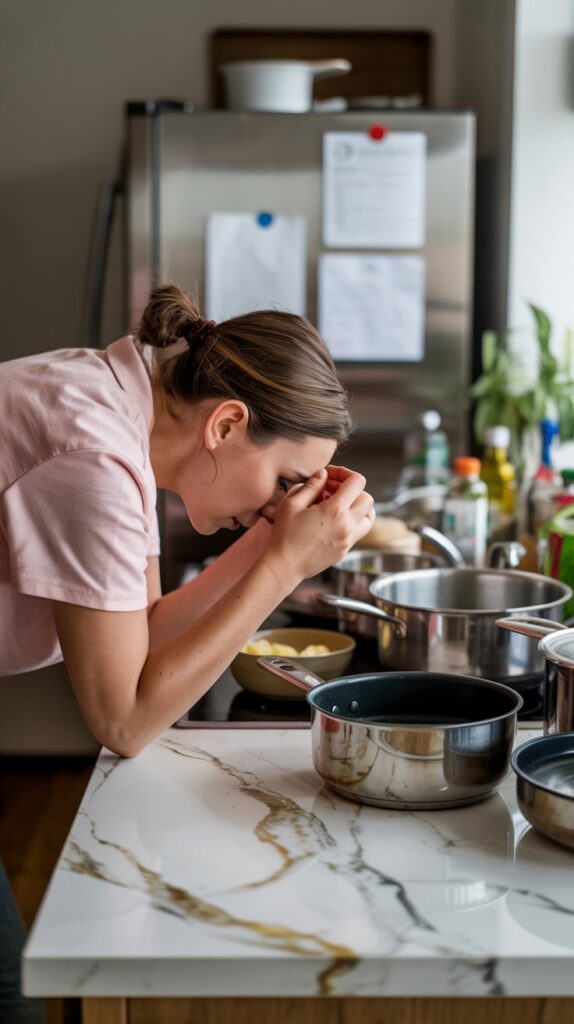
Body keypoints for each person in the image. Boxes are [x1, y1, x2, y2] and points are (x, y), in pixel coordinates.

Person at [0, 281, 374, 1021]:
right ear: (228, 423)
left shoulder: (123, 408)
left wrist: (276, 538)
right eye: (286, 483)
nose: (280, 504)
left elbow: (145, 631)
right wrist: (281, 565)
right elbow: (126, 719)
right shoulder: (96, 461)